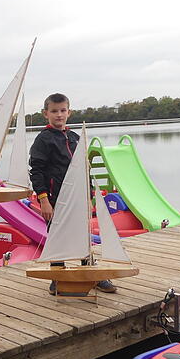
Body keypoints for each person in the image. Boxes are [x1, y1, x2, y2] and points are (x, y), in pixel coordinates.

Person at [28, 93, 116, 295]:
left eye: (62, 110)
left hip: (78, 198)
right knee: (57, 237)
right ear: (45, 114)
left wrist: (89, 196)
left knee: (83, 235)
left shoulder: (75, 138)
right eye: (54, 111)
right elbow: (36, 171)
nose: (59, 115)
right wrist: (43, 200)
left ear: (69, 112)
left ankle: (90, 273)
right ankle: (57, 278)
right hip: (55, 198)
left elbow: (84, 169)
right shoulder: (43, 139)